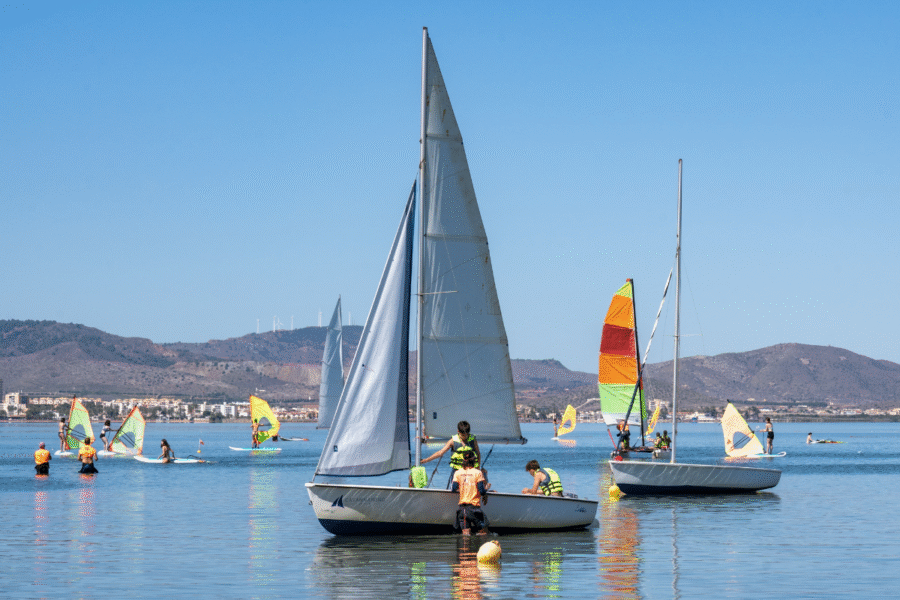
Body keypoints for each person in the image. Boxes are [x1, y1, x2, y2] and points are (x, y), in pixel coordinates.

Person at [421, 421, 483, 487]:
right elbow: (440, 453)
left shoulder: (473, 440)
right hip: (457, 472)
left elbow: (478, 454)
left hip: (471, 472)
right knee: (456, 489)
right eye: (462, 435)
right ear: (458, 431)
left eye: (466, 435)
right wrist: (426, 460)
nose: (464, 437)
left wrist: (478, 468)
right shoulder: (453, 441)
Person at [451, 451, 488, 535]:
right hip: (474, 508)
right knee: (483, 532)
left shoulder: (457, 473)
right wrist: (485, 495)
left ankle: (466, 543)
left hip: (462, 509)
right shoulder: (477, 472)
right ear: (474, 461)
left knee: (466, 534)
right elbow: (481, 490)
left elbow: (453, 489)